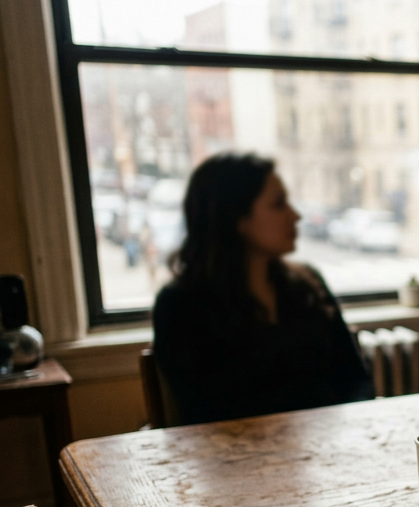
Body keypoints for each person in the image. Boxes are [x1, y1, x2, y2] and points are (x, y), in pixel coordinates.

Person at [153, 153, 373, 426]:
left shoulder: (308, 286)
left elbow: (357, 380)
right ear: (236, 218)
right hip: (237, 452)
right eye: (278, 204)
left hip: (330, 444)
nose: (295, 215)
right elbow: (202, 415)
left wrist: (352, 428)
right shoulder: (180, 305)